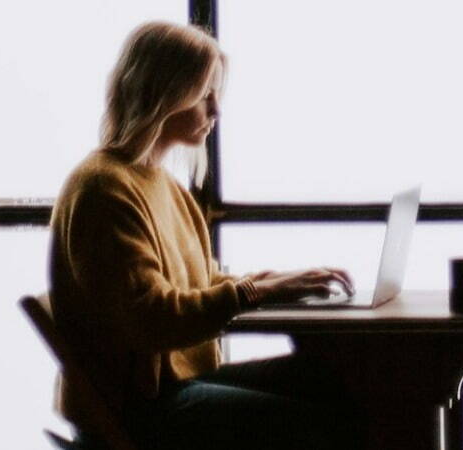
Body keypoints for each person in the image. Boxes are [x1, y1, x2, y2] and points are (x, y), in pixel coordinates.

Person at [49, 21, 359, 449]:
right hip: (140, 408)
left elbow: (200, 284)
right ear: (162, 94)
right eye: (204, 95)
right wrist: (255, 292)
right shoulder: (103, 188)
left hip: (174, 387)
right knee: (317, 422)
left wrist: (276, 283)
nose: (216, 111)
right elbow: (152, 318)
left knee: (340, 378)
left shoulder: (161, 183)